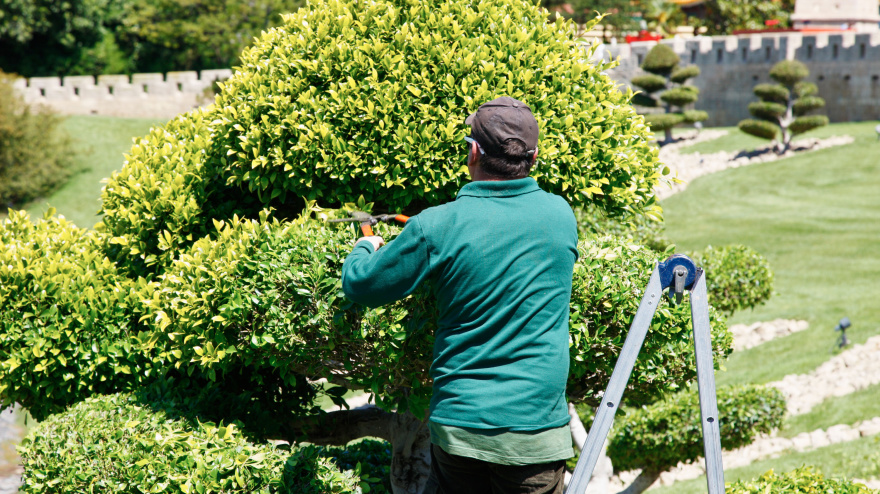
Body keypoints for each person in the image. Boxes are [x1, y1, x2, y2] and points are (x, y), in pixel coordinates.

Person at [341, 96, 578, 494]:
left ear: (472, 153)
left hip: (461, 428)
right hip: (535, 431)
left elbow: (363, 285)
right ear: (533, 156)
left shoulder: (437, 224)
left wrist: (367, 246)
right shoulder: (561, 214)